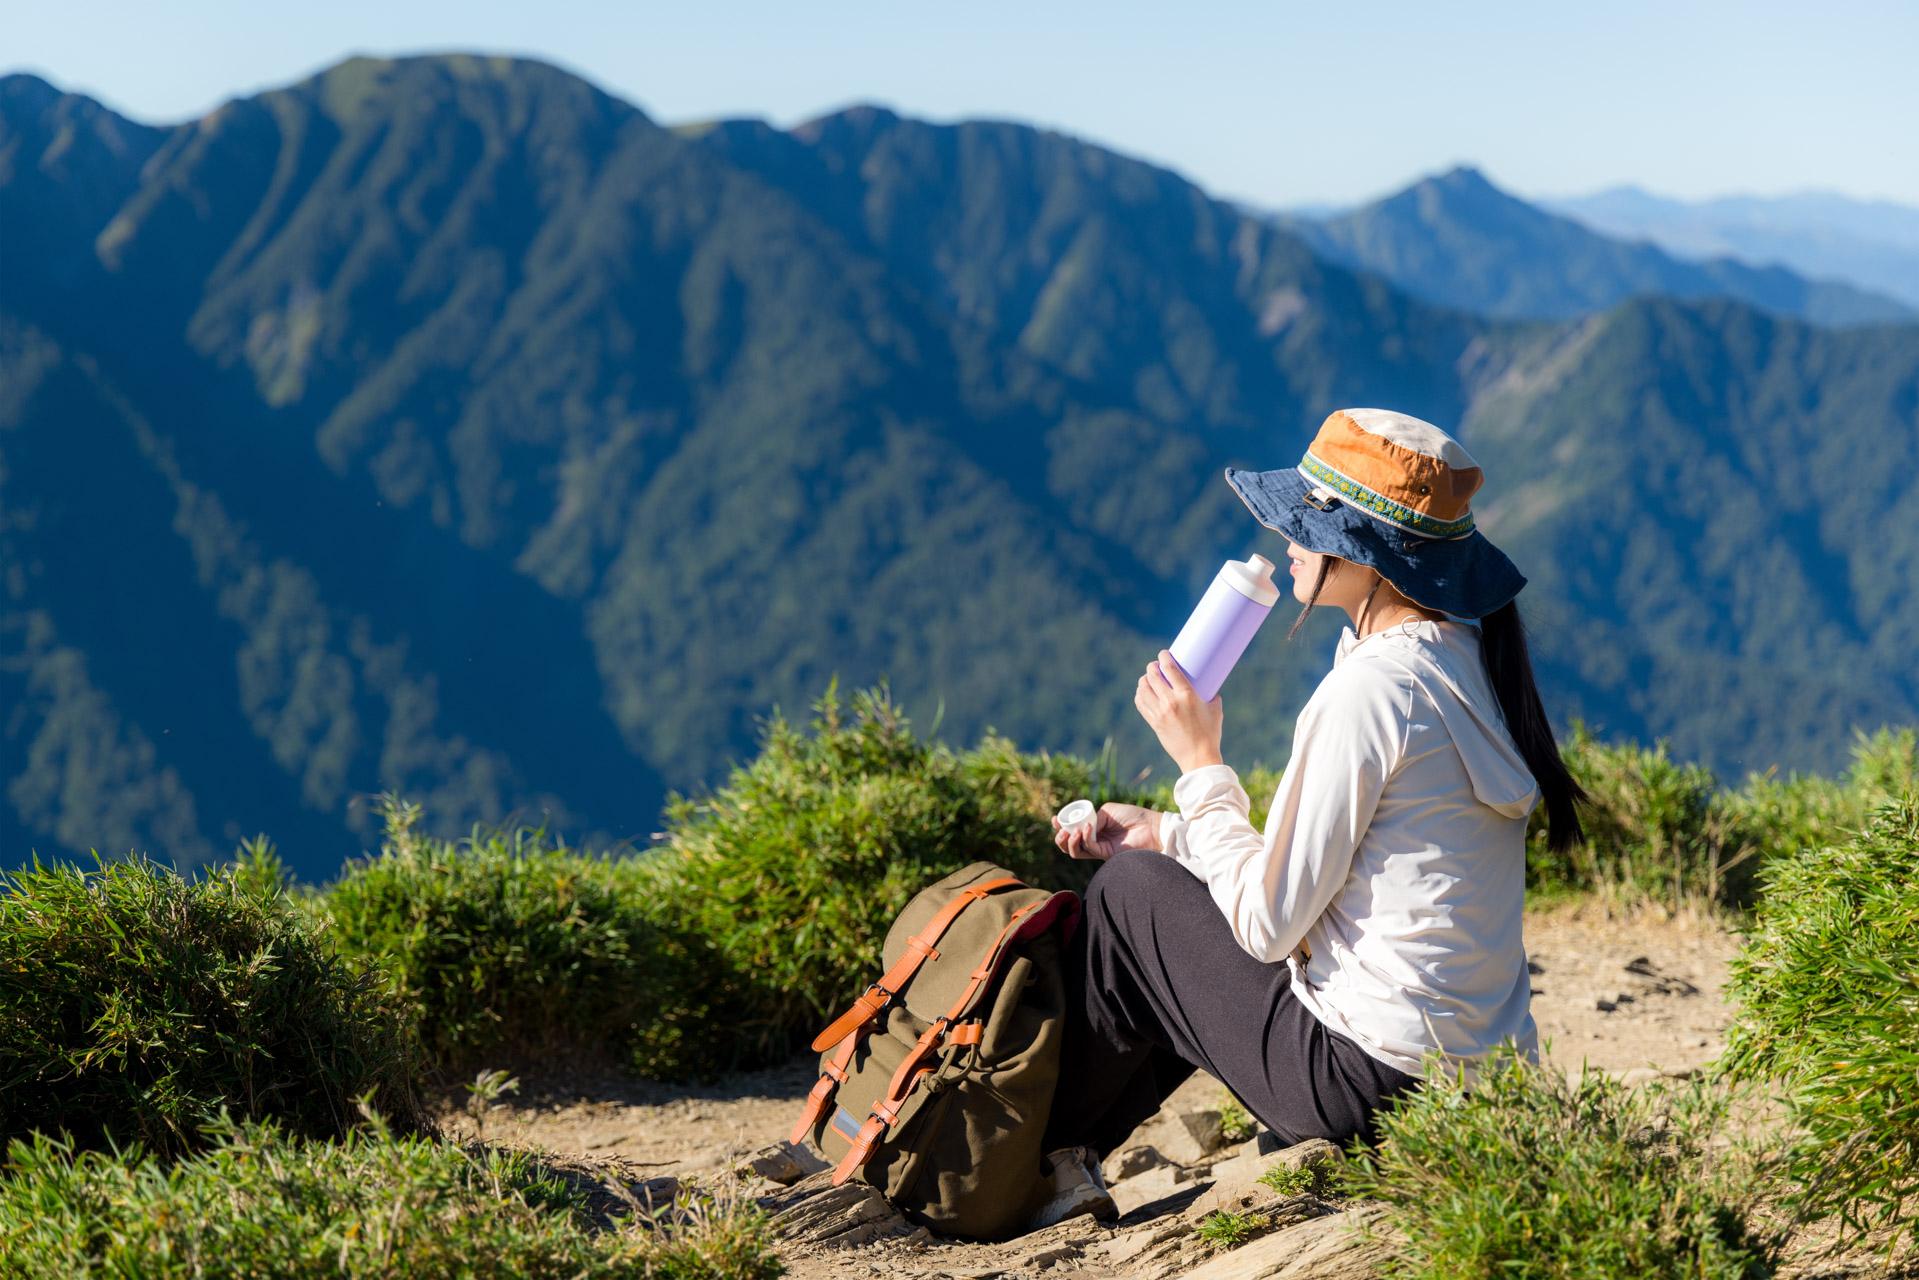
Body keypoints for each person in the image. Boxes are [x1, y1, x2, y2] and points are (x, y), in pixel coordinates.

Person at [1030, 407, 1588, 1225]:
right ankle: (1058, 1159)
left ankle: (1031, 1165)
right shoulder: (1458, 660)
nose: (1284, 537)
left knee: (1129, 895)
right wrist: (1170, 832)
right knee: (1153, 871)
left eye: (1302, 522)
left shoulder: (1371, 692)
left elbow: (1264, 927)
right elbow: (1313, 888)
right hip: (1470, 1090)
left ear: (1361, 550)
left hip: (1363, 1085)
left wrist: (1200, 765)